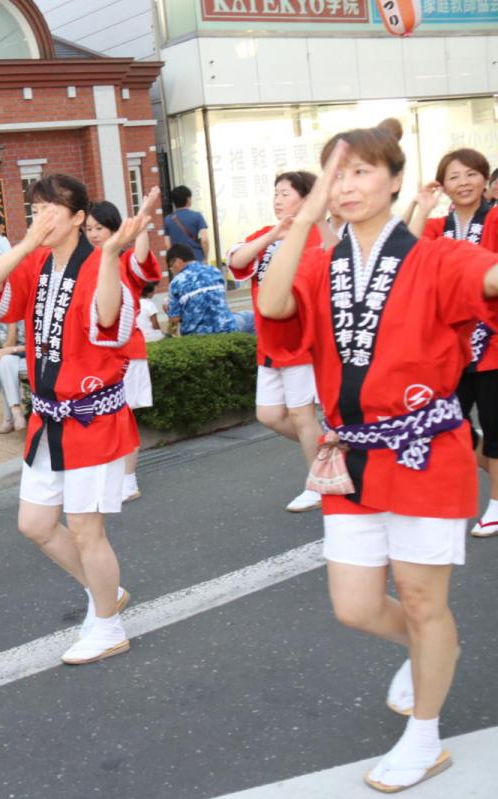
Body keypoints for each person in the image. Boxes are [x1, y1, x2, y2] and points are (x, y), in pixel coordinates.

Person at [257, 119, 498, 794]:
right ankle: (433, 650)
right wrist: (306, 214)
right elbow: (273, 303)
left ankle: (425, 738)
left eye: (364, 170)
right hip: (352, 455)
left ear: (396, 180)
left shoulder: (435, 255)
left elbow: (490, 280)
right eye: (338, 173)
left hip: (425, 449)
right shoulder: (318, 262)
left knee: (423, 600)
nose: (349, 184)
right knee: (356, 605)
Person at [0, 173, 142, 664]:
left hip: (93, 419)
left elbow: (110, 319)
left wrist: (110, 257)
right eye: (35, 209)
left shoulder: (97, 264)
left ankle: (108, 623)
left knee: (87, 530)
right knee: (36, 524)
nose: (41, 219)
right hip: (47, 422)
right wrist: (25, 243)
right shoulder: (36, 262)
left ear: (79, 217)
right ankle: (107, 593)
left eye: (52, 210)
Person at [408, 148, 498, 538]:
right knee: (449, 424)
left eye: (471, 174)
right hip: (448, 345)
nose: (463, 183)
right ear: (442, 185)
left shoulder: (495, 217)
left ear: (484, 179)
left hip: (492, 338)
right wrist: (419, 204)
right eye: (454, 177)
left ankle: (495, 503)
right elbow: (404, 255)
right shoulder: (435, 226)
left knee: (495, 427)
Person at [227, 172, 326, 513]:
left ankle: (318, 481)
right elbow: (236, 262)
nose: (278, 199)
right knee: (269, 414)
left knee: (301, 416)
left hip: (302, 341)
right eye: (276, 194)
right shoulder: (265, 236)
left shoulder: (317, 235)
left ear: (307, 198)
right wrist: (273, 235)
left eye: (286, 193)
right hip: (268, 341)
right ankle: (332, 452)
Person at [84, 187, 162, 502]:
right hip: (96, 355)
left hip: (127, 351)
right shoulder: (85, 263)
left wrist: (144, 213)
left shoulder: (125, 260)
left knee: (123, 415)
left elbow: (142, 256)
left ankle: (128, 480)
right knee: (104, 418)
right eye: (88, 229)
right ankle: (110, 476)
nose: (92, 234)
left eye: (99, 228)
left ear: (114, 229)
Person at [166, 244, 252, 336]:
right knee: (251, 317)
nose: (172, 270)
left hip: (195, 335)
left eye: (170, 266)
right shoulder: (214, 270)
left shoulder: (176, 282)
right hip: (226, 328)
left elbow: (174, 319)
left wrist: (168, 310)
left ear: (177, 261)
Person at [0, 319, 27, 434]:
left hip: (36, 356)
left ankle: (9, 418)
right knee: (3, 362)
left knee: (1, 364)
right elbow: (6, 345)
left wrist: (10, 349)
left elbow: (39, 345)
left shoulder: (33, 309)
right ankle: (16, 411)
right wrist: (12, 323)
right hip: (16, 356)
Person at [163, 185, 210, 264]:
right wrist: (205, 258)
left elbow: (167, 245)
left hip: (178, 262)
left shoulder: (168, 219)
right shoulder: (197, 216)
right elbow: (204, 240)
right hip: (197, 259)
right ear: (188, 199)